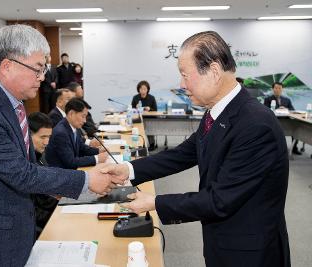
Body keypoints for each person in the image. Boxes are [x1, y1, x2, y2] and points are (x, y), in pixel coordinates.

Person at [0, 24, 124, 267]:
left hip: (11, 228)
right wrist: (86, 182)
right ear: (7, 66)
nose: (43, 77)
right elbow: (22, 174)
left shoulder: (12, 103)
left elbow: (29, 165)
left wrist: (57, 187)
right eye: (38, 68)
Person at [102, 31, 290, 267]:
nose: (181, 85)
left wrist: (155, 202)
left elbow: (220, 200)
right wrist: (128, 170)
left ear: (213, 71)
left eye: (184, 75)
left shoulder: (255, 125)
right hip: (222, 241)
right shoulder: (218, 111)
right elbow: (183, 154)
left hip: (250, 252)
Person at [46, 98, 108, 169]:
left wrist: (98, 151)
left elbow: (81, 147)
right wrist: (96, 159)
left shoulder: (74, 127)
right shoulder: (61, 133)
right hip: (62, 173)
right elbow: (70, 162)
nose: (85, 121)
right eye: (83, 116)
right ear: (71, 113)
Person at [27, 112, 58, 235]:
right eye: (42, 137)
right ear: (28, 135)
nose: (47, 142)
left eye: (49, 137)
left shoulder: (39, 155)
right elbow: (34, 208)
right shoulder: (24, 163)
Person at [264, 82, 300, 155]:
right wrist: (277, 109)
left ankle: (294, 148)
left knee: (297, 129)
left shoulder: (287, 100)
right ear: (272, 89)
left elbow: (292, 110)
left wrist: (285, 109)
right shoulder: (268, 99)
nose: (277, 90)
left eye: (279, 88)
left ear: (282, 89)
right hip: (274, 122)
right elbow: (265, 110)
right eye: (276, 88)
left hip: (287, 121)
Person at [131, 80, 157, 150]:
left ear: (147, 89)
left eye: (145, 89)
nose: (143, 91)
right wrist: (135, 108)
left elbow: (155, 109)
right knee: (137, 130)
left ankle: (152, 145)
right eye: (141, 89)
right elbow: (132, 109)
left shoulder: (151, 98)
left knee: (150, 129)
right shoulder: (135, 97)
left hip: (149, 118)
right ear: (138, 89)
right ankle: (139, 145)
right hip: (138, 118)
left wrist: (149, 109)